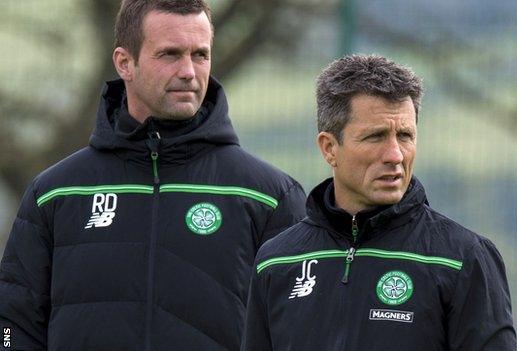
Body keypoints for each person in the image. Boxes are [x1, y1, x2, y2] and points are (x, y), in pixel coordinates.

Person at [0, 1, 306, 350]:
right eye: (170, 54)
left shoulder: (269, 196)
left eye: (200, 55)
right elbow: (13, 325)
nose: (189, 71)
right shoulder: (55, 193)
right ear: (124, 63)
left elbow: (302, 331)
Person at [242, 54, 516, 350]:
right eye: (376, 136)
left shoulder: (463, 259)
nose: (395, 155)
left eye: (405, 136)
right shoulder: (276, 261)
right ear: (329, 148)